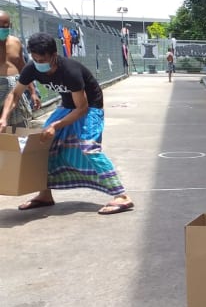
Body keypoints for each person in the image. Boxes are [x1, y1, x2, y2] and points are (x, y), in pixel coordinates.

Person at [0, 32, 134, 214]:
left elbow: (82, 108)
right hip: (67, 106)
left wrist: (55, 126)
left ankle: (122, 196)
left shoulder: (70, 71)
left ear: (54, 55)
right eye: (35, 58)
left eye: (42, 59)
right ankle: (45, 194)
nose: (39, 62)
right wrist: (4, 118)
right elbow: (15, 94)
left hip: (90, 108)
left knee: (88, 148)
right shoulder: (32, 68)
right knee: (42, 144)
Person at [0, 11, 40, 128]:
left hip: (15, 87)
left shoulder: (15, 42)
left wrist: (33, 92)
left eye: (5, 26)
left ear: (10, 26)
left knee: (18, 128)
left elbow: (24, 68)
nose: (2, 29)